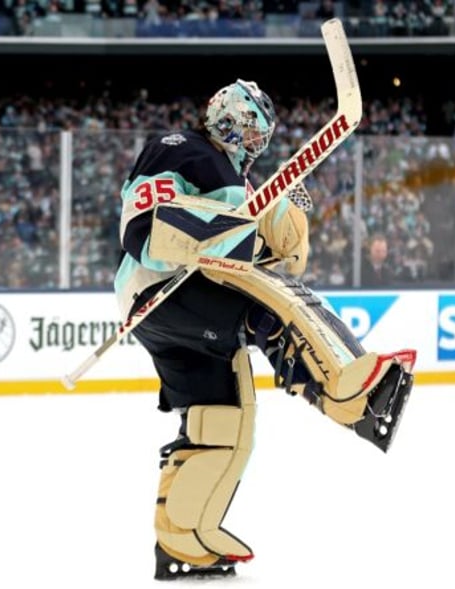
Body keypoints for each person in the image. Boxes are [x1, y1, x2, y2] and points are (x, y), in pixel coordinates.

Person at [114, 79, 417, 580]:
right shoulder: (182, 150)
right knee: (272, 310)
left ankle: (183, 540)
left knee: (224, 422)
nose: (257, 145)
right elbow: (143, 231)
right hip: (165, 290)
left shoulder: (242, 183)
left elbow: (285, 255)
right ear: (228, 120)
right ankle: (349, 391)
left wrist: (286, 211)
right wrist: (227, 234)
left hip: (174, 311)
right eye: (253, 132)